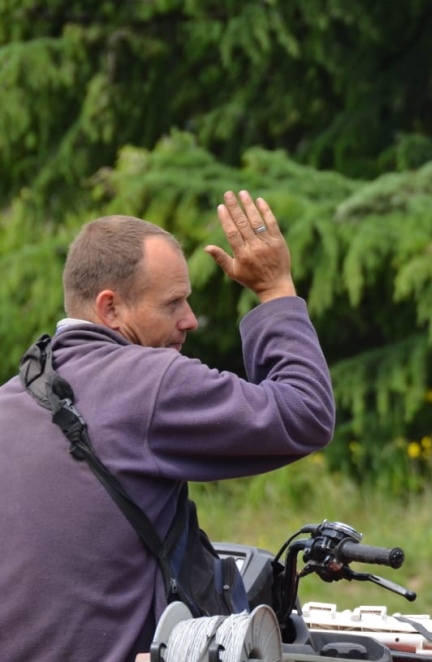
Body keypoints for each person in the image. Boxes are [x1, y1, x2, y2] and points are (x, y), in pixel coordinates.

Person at [0, 191, 336, 661]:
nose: (191, 320)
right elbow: (306, 413)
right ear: (110, 309)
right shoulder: (149, 381)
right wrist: (276, 288)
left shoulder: (11, 399)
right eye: (173, 303)